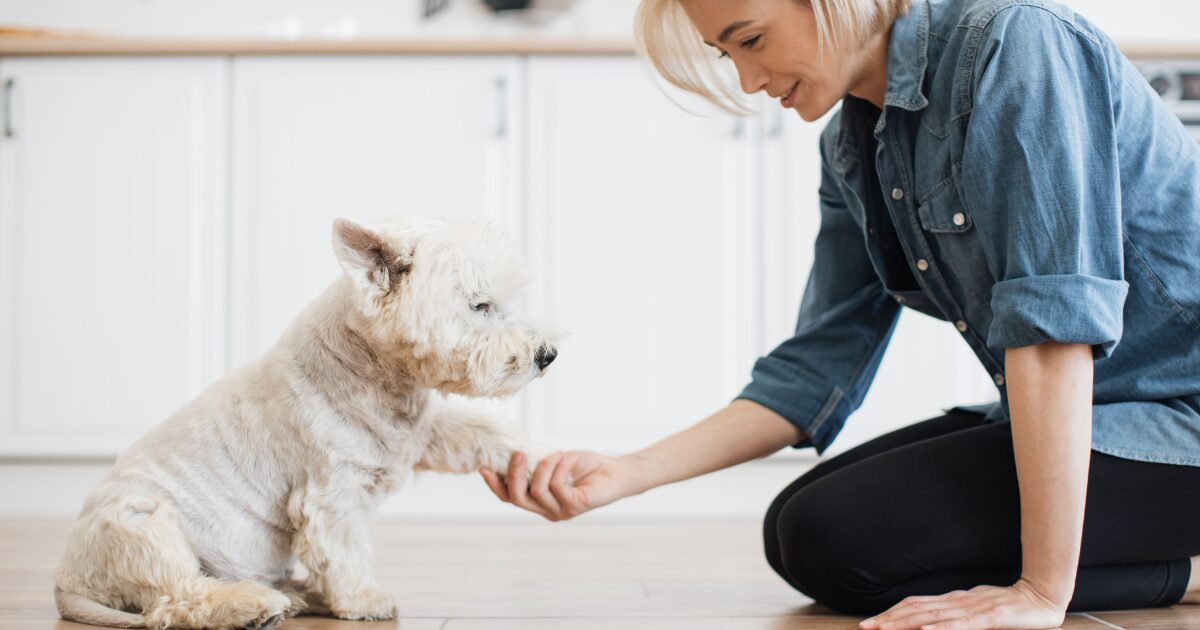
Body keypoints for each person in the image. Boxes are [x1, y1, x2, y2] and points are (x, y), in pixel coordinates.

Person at [479, 0, 1200, 628]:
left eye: (751, 40)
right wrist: (626, 472)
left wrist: (1040, 592)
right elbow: (814, 370)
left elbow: (1052, 329)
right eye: (725, 54)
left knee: (844, 535)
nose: (748, 82)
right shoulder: (854, 143)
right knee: (799, 530)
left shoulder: (1015, 44)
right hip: (1108, 414)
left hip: (1179, 418)